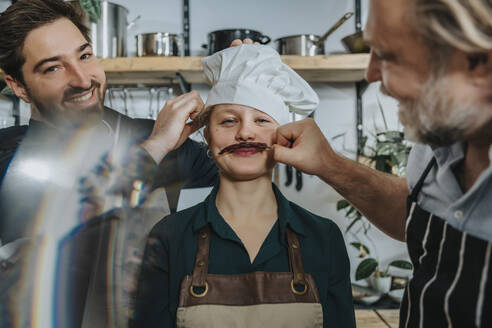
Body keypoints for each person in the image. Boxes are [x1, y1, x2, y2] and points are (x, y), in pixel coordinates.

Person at [231, 0, 492, 327]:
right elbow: (415, 216)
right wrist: (329, 163)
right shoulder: (438, 140)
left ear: (479, 63)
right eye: (228, 121)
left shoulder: (320, 240)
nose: (371, 73)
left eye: (389, 56)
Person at [0, 0, 217, 326]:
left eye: (84, 56)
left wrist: (242, 97)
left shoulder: (160, 137)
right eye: (53, 68)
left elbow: (249, 180)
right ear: (18, 85)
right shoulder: (8, 155)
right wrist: (154, 149)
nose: (83, 80)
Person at [133, 45, 356, 328]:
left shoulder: (323, 237)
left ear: (285, 136)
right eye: (228, 121)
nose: (245, 132)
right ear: (208, 137)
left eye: (262, 120)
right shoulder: (169, 236)